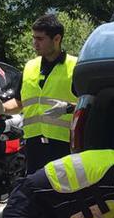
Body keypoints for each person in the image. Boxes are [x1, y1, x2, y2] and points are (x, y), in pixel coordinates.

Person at [8, 14, 78, 176]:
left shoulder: (75, 66)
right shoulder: (30, 66)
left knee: (63, 195)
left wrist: (69, 108)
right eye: (33, 38)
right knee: (38, 194)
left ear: (57, 39)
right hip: (34, 145)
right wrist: (0, 108)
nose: (34, 43)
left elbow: (90, 103)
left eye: (40, 39)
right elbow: (19, 103)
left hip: (63, 144)